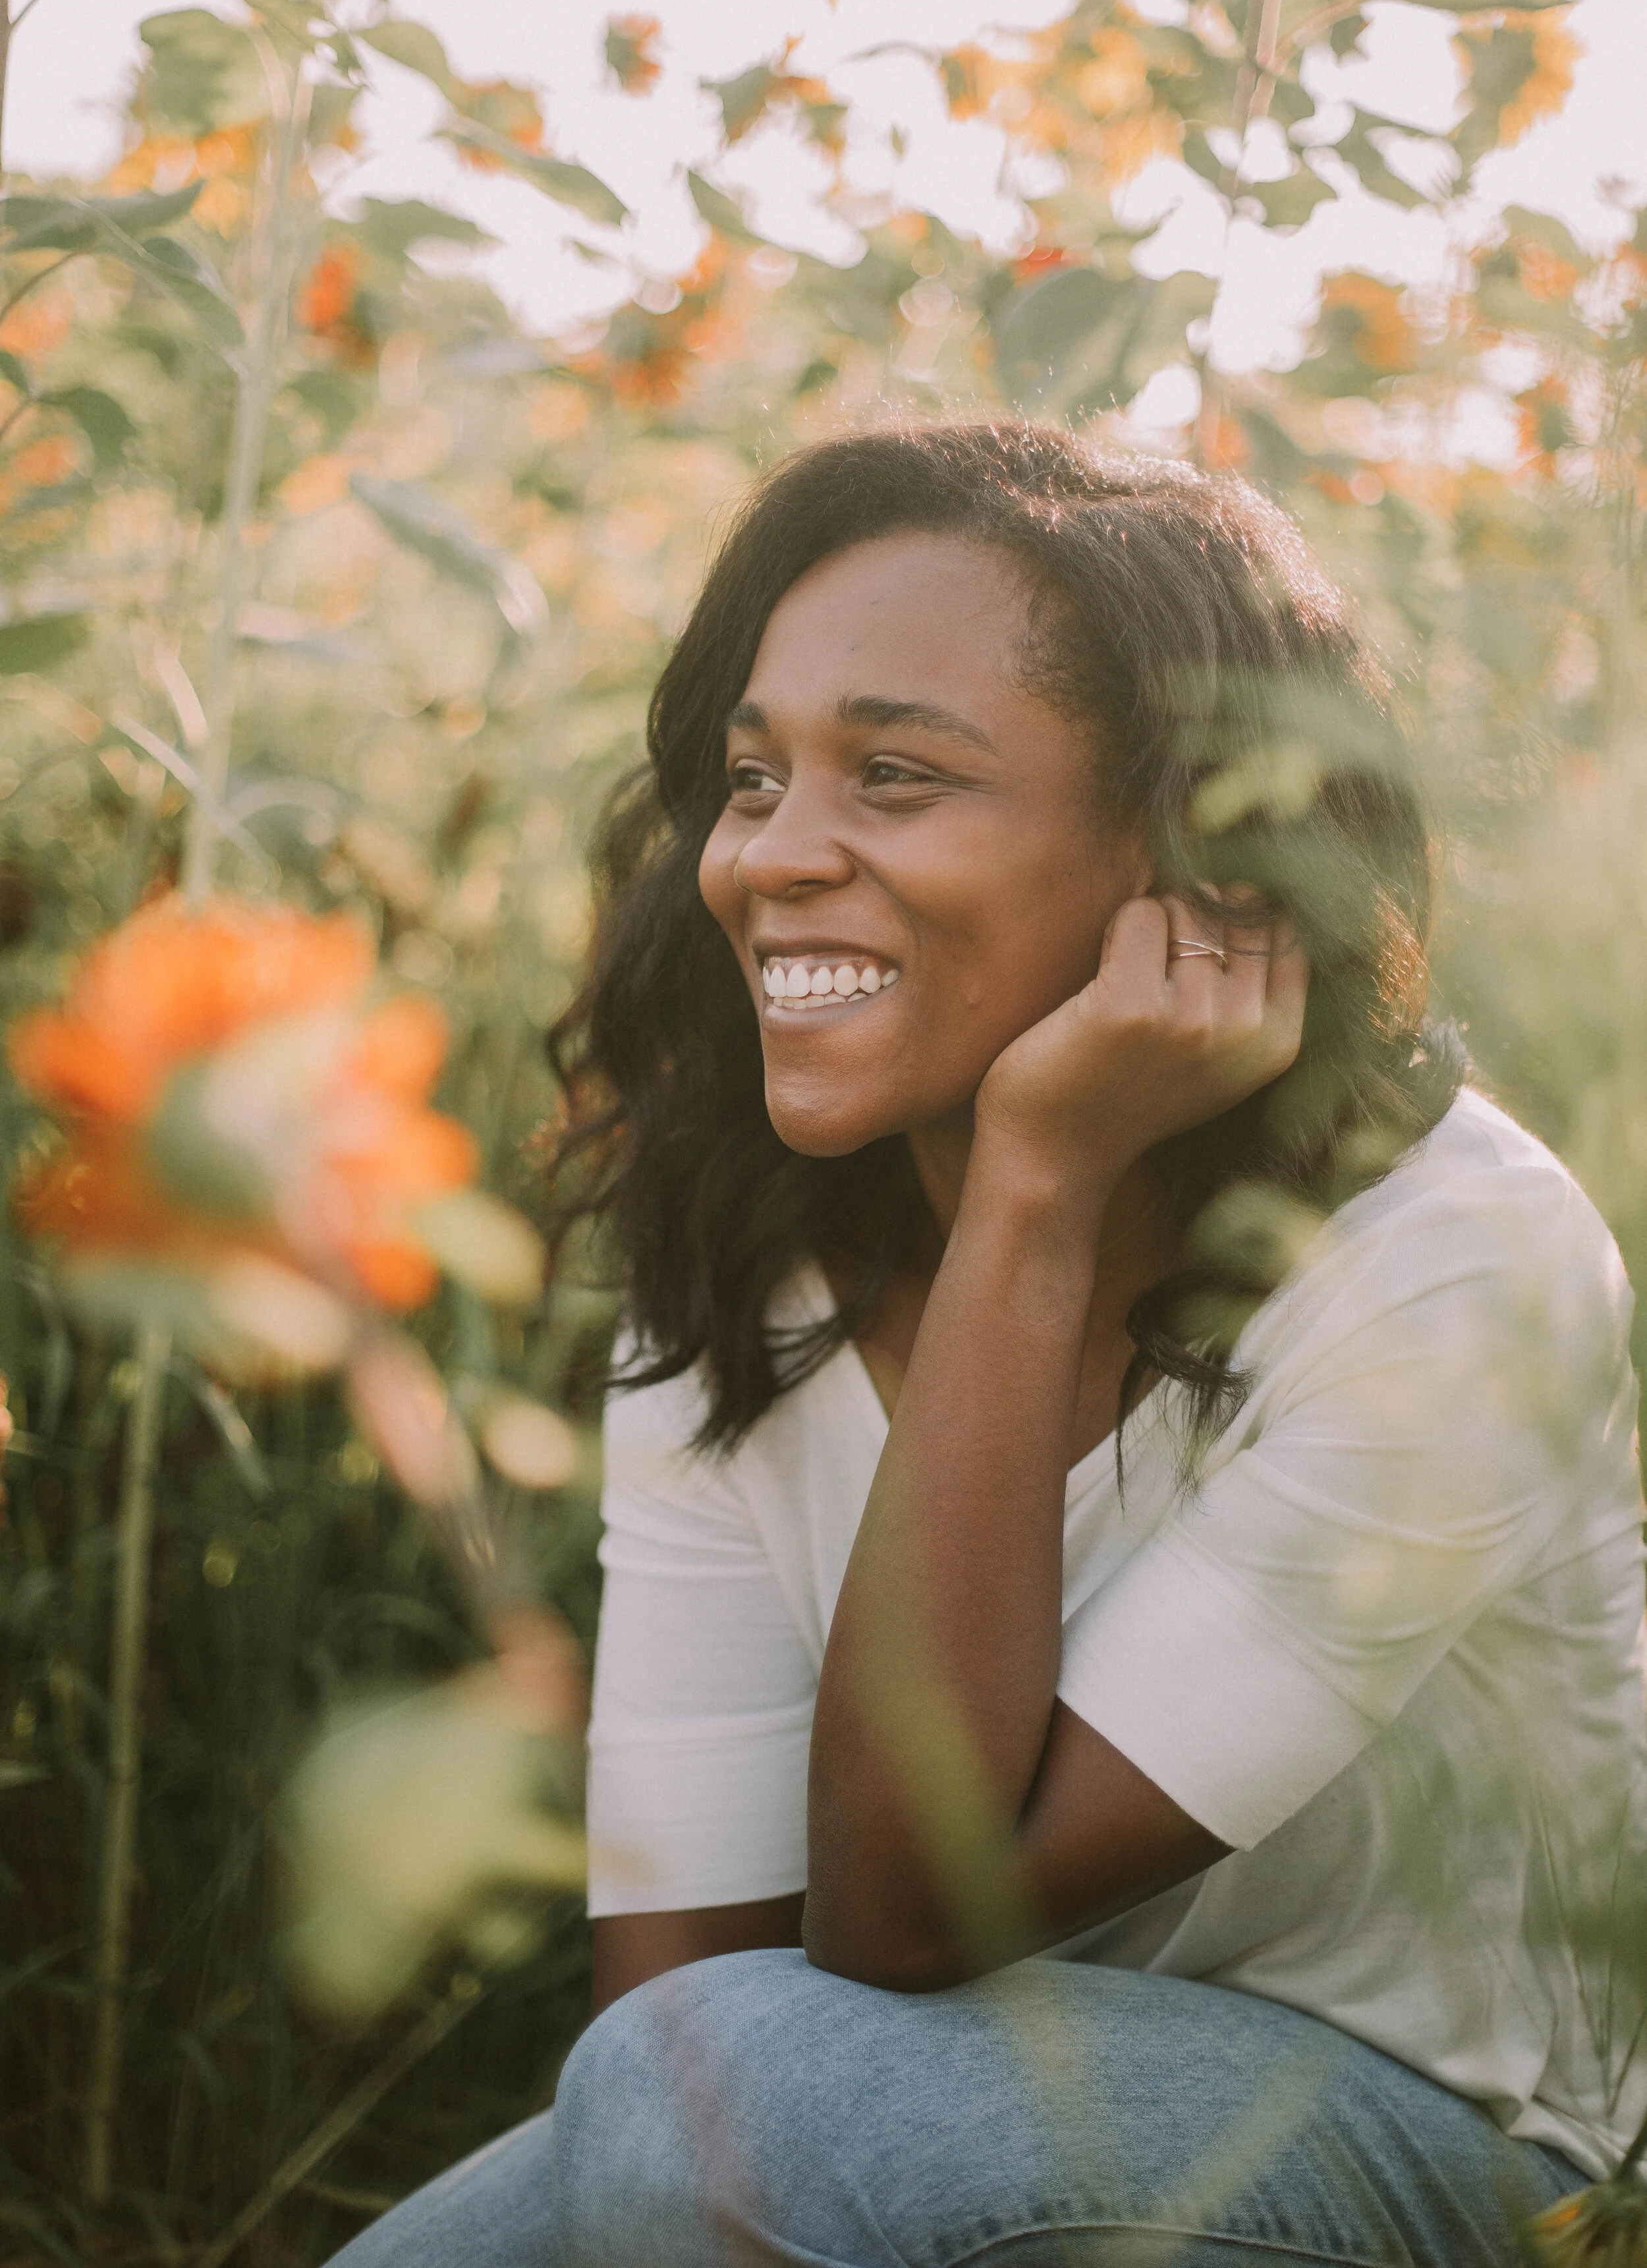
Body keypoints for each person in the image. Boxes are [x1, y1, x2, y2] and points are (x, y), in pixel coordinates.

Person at [329, 425, 1646, 2267]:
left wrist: (1033, 1185)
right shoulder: (736, 1252)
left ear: (1197, 847)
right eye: (749, 777)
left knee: (766, 2111)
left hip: (1450, 2153)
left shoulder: (1450, 1263)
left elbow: (898, 1917)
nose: (772, 856)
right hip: (877, 2121)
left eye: (892, 774)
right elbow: (681, 2005)